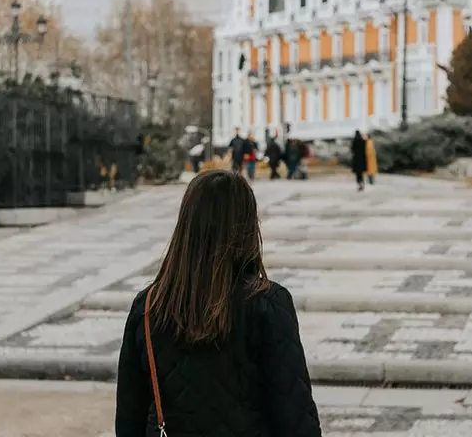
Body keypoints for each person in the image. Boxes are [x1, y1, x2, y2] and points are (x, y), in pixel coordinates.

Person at [115, 171, 322, 437]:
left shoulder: (149, 307)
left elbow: (128, 420)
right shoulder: (267, 304)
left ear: (186, 225)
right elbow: (295, 417)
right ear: (247, 226)